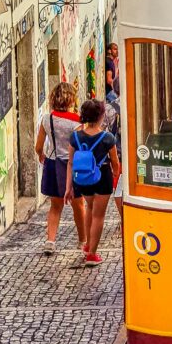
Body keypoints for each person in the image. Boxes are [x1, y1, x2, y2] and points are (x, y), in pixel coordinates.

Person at [66, 99, 120, 266]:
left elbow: (70, 162)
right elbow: (115, 162)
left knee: (90, 207)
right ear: (101, 116)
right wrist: (116, 174)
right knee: (98, 215)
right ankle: (92, 255)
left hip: (82, 179)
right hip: (102, 176)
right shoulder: (107, 138)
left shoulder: (75, 136)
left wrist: (68, 187)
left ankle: (88, 244)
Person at [34, 83, 87, 255]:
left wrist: (42, 155)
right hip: (72, 165)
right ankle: (82, 241)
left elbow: (38, 146)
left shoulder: (46, 119)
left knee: (55, 205)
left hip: (52, 163)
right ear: (71, 100)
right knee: (78, 205)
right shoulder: (77, 122)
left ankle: (50, 241)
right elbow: (81, 146)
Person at [105, 84, 124, 222]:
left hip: (118, 153)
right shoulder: (141, 99)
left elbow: (103, 132)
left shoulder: (110, 108)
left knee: (118, 188)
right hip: (140, 152)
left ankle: (123, 217)